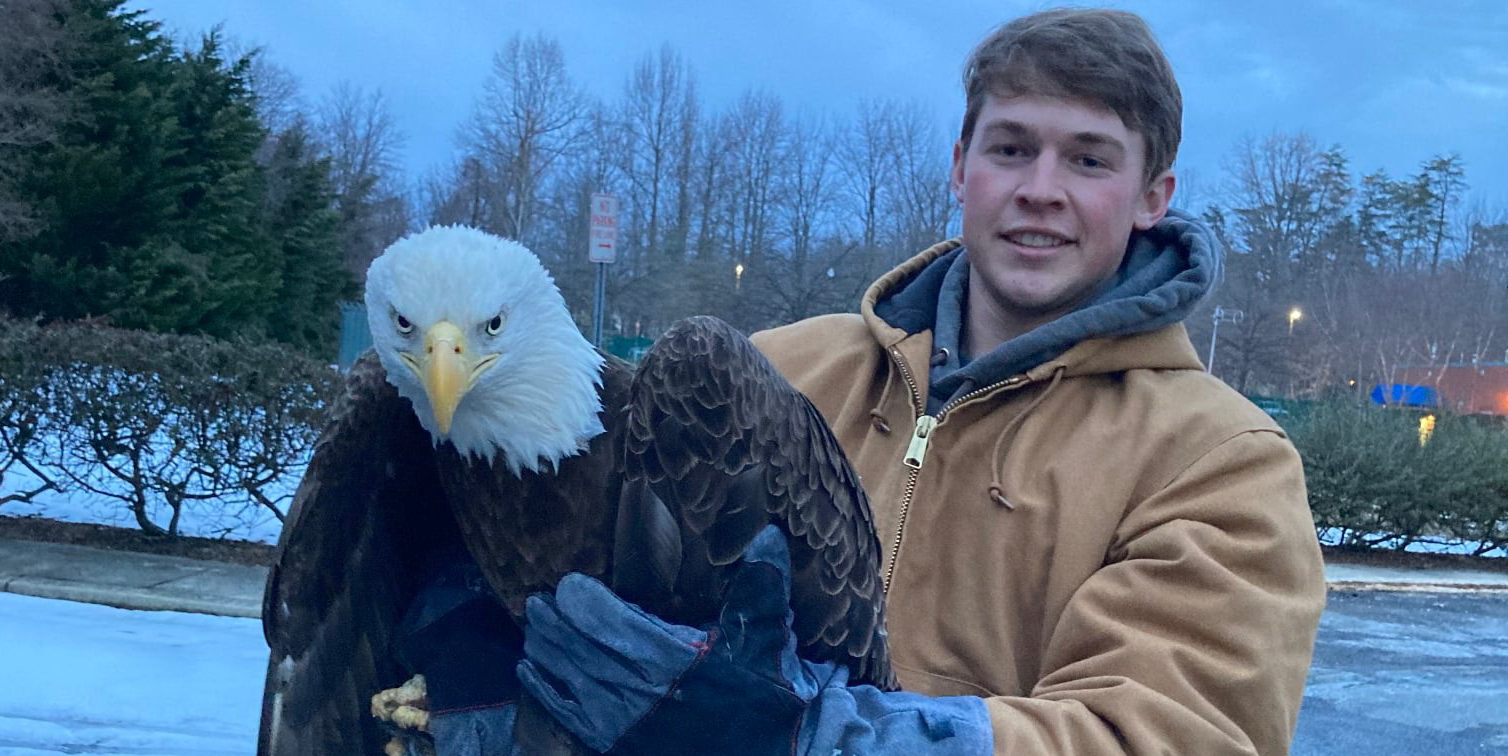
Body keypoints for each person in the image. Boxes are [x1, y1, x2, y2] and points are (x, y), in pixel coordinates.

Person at [467, 7, 1328, 755]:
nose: (1039, 190)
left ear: (1154, 196)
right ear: (961, 168)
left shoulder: (1220, 462)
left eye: (1089, 161)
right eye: (1011, 147)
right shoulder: (781, 369)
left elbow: (1168, 737)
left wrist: (819, 740)